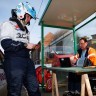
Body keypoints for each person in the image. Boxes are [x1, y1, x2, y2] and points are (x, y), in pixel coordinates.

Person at [0, 2, 41, 96]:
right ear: (21, 13)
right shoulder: (8, 24)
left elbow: (23, 46)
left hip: (27, 60)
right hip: (14, 62)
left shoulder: (26, 30)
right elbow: (6, 43)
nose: (29, 19)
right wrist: (25, 45)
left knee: (34, 88)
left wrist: (32, 48)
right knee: (15, 91)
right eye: (29, 16)